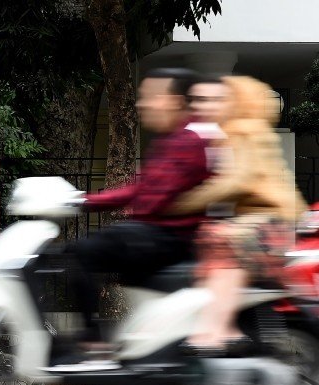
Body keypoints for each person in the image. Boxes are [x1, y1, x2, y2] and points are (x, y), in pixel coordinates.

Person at [59, 68, 212, 367]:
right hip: (156, 234)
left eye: (153, 97)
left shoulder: (187, 141)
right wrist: (84, 200)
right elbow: (140, 190)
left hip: (164, 238)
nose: (144, 104)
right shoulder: (172, 140)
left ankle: (91, 340)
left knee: (81, 252)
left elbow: (154, 196)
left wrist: (90, 203)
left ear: (177, 101)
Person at [169, 75, 306, 353]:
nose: (210, 106)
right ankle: (227, 325)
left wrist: (186, 201)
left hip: (266, 222)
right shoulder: (245, 130)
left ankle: (217, 330)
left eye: (224, 99)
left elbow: (237, 180)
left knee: (223, 246)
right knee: (212, 246)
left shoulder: (243, 129)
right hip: (267, 221)